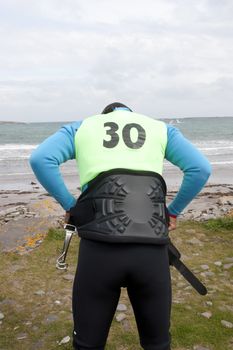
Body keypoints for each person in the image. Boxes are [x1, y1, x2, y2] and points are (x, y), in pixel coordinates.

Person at [30, 102, 211, 350]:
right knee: (158, 344)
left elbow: (41, 159)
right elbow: (200, 169)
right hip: (151, 251)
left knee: (87, 344)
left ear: (104, 115)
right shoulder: (161, 130)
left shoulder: (82, 128)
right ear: (131, 114)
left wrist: (71, 206)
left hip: (99, 250)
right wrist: (173, 212)